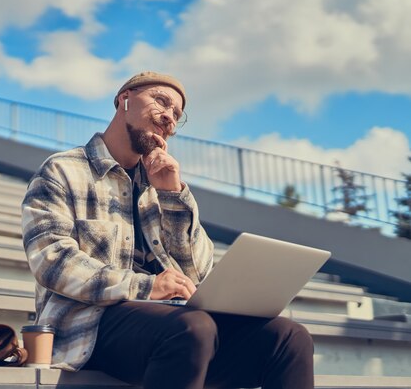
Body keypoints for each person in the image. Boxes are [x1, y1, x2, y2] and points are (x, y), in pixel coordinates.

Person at [21, 71, 314, 389]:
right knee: (193, 327)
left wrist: (173, 197)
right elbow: (51, 261)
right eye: (161, 101)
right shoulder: (63, 169)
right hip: (88, 325)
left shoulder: (164, 185)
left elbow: (198, 274)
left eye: (177, 114)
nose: (169, 119)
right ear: (125, 99)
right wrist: (146, 287)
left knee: (288, 337)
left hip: (176, 329)